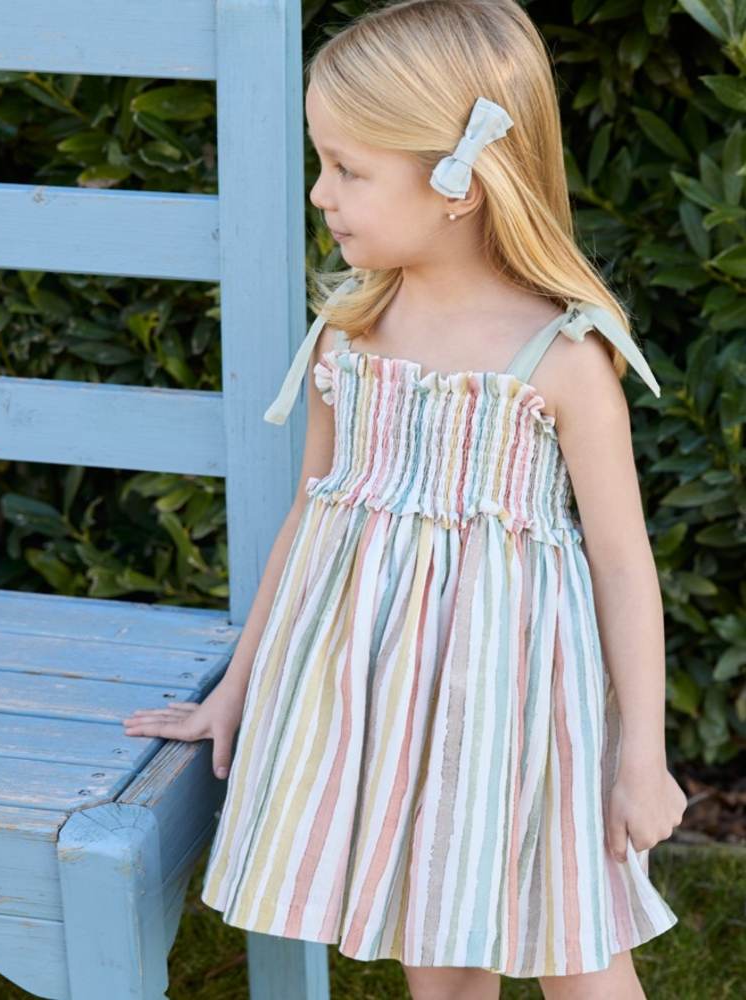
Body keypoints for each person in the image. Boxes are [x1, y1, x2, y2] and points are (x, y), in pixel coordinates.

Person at [123, 1, 687, 996]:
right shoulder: (350, 332)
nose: (319, 192)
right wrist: (238, 689)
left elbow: (620, 559)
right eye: (322, 161)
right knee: (438, 946)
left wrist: (640, 750)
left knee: (579, 954)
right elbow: (313, 514)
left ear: (458, 180)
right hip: (385, 699)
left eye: (347, 168)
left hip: (520, 707)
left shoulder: (562, 361)